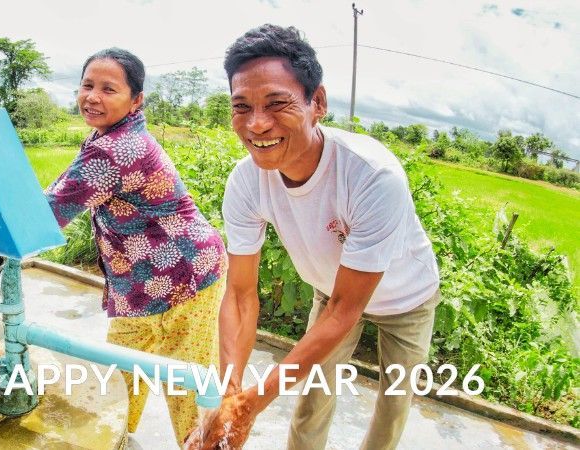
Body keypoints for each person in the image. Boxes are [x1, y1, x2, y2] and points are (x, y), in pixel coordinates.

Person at [192, 25, 441, 449]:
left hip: (406, 299)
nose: (256, 124)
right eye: (242, 106)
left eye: (276, 103)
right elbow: (239, 295)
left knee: (394, 404)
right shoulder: (246, 181)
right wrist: (229, 393)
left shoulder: (371, 176)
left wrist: (253, 403)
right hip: (331, 290)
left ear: (317, 103)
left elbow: (348, 309)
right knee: (313, 393)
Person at [43, 47, 227, 446]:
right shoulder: (107, 137)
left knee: (185, 383)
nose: (93, 96)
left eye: (109, 89)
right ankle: (119, 437)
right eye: (87, 85)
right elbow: (60, 189)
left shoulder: (115, 149)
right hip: (144, 283)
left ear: (136, 100)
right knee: (122, 373)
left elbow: (49, 213)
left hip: (183, 275)